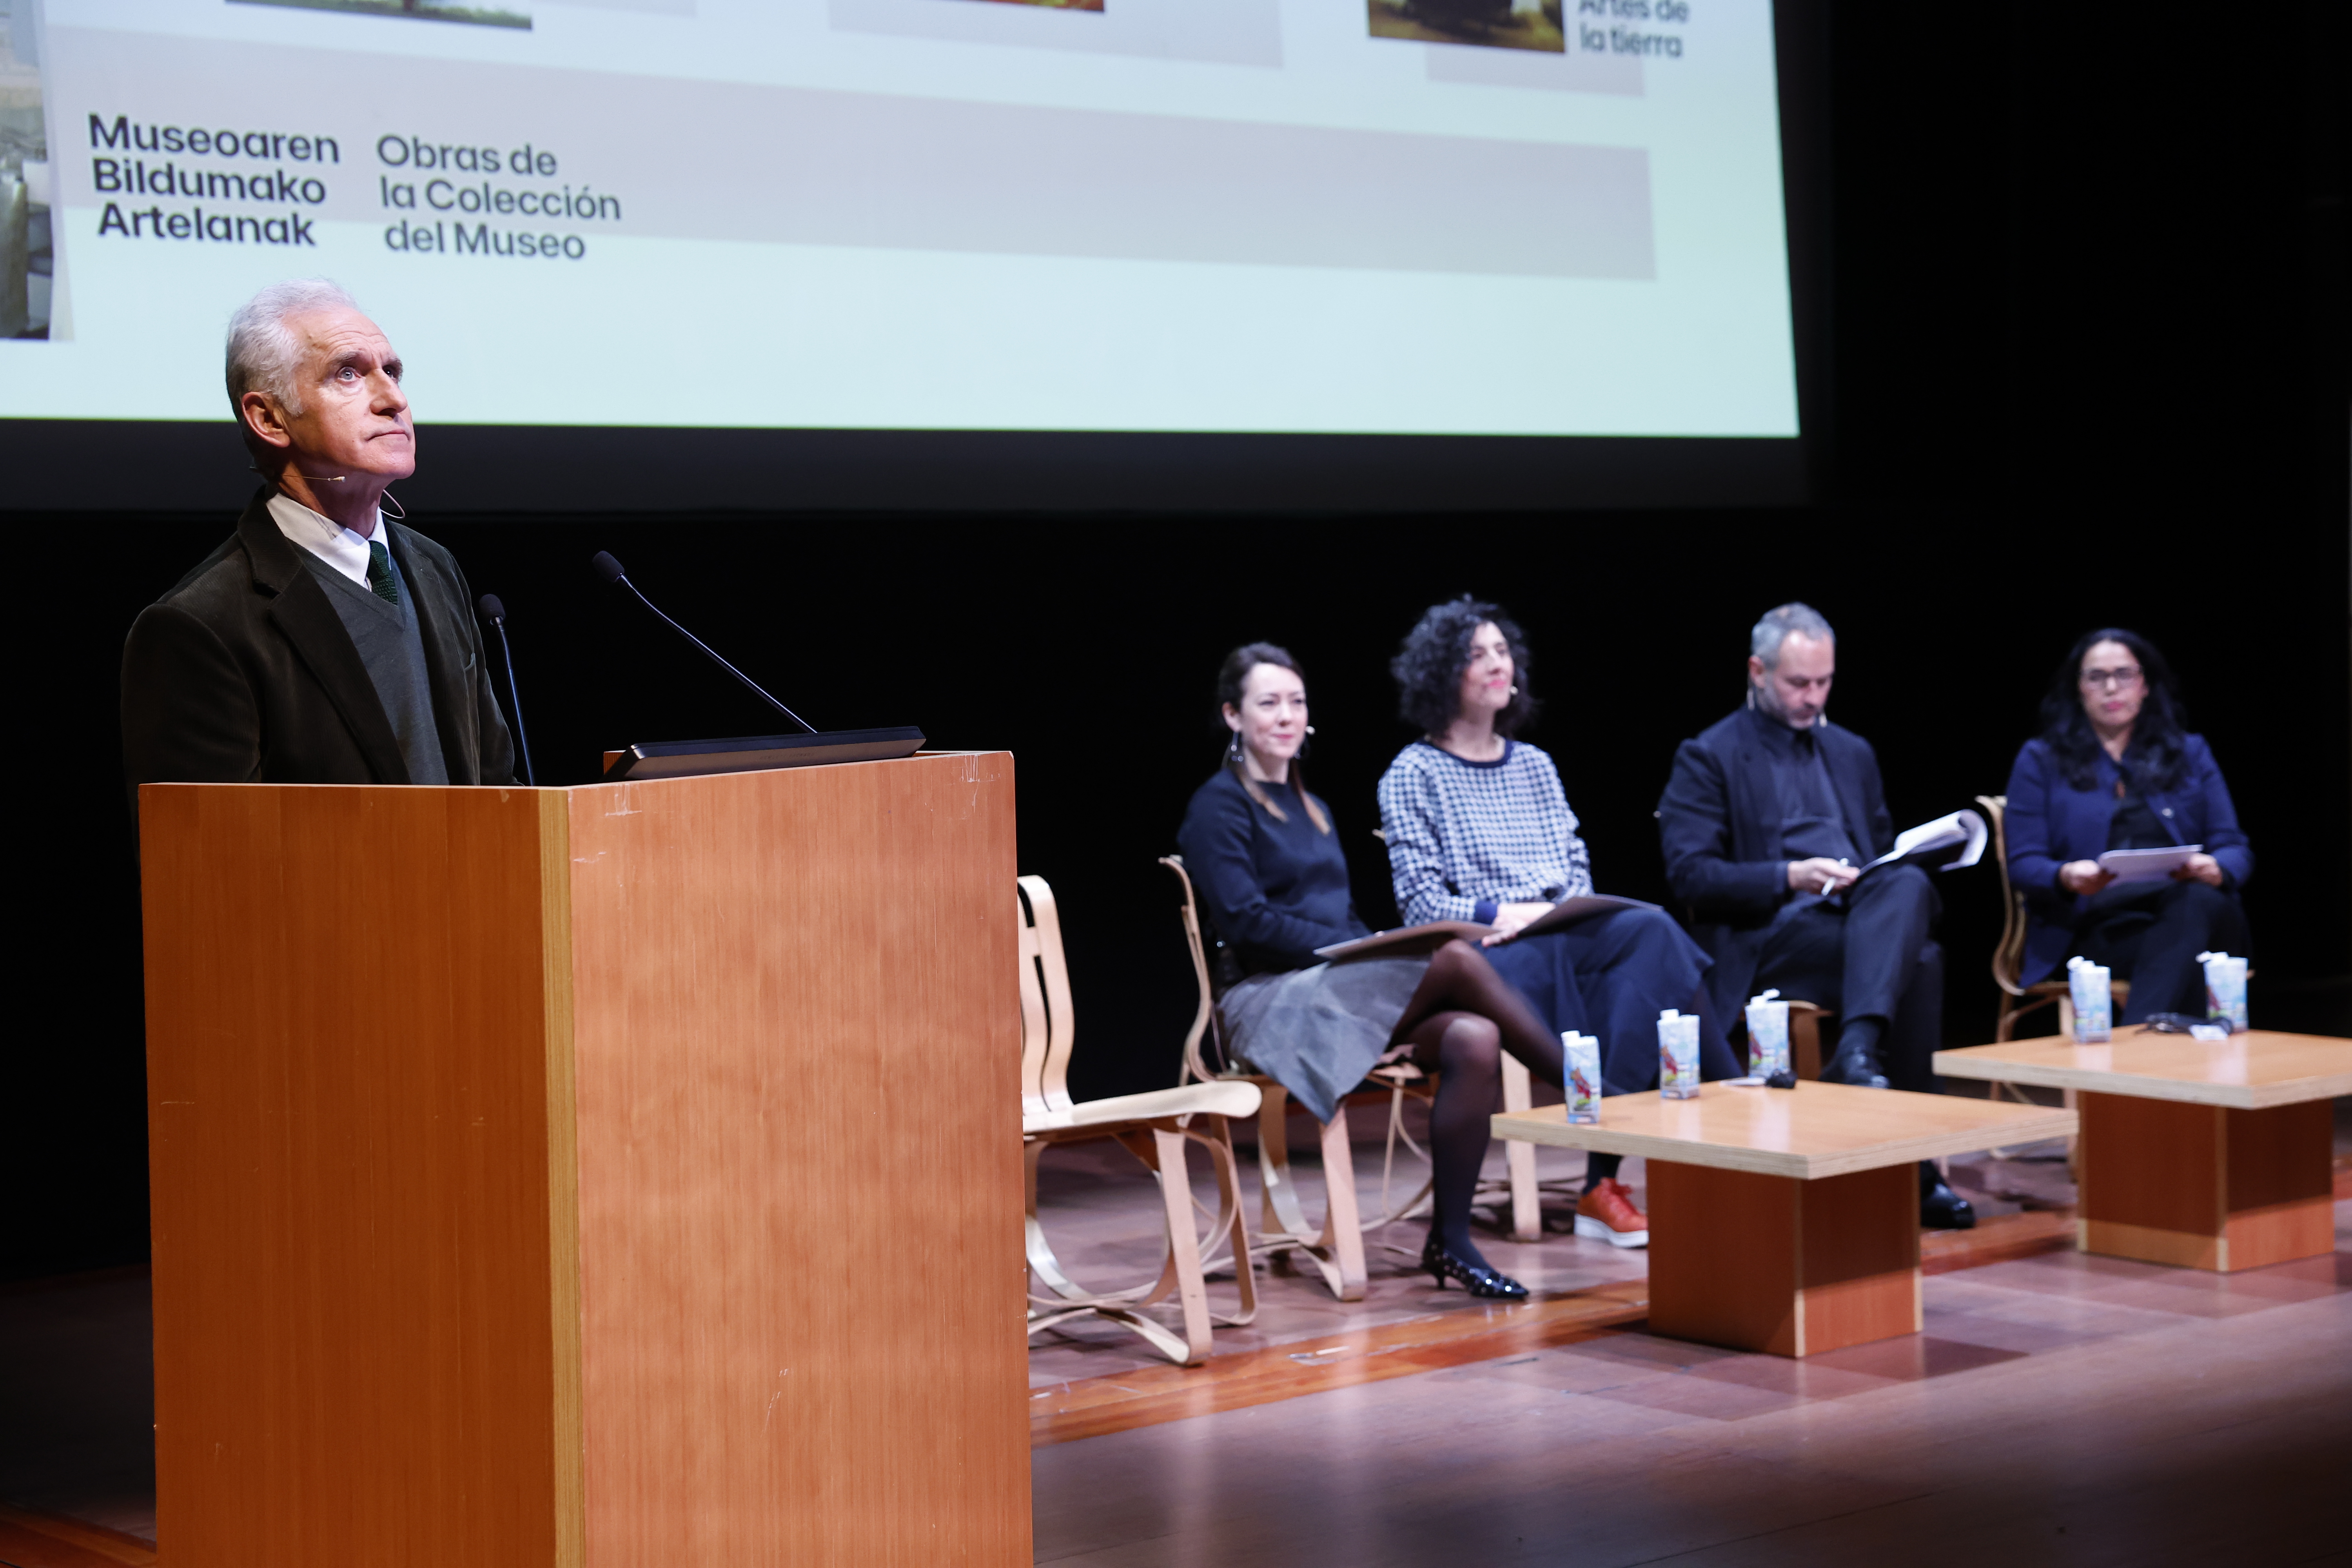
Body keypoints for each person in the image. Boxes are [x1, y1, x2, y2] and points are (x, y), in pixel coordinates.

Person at [1178, 642, 1577, 1299]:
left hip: (1330, 987)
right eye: (1268, 703)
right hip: (1264, 1002)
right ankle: (1592, 1090)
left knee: (1473, 1038)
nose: (1286, 715)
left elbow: (1340, 914)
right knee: (1452, 956)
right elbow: (1249, 923)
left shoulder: (1315, 808)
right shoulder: (1218, 808)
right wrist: (1360, 948)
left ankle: (1452, 1240)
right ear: (1233, 716)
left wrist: (1373, 944)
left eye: (1296, 702)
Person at [1377, 597, 1741, 1251]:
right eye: (1476, 654)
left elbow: (1576, 867)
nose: (1497, 664)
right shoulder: (1414, 773)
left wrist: (1559, 909)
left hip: (1559, 929)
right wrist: (1502, 915)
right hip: (1488, 952)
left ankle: (1628, 1166)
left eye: (1501, 651)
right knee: (1642, 972)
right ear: (1441, 674)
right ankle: (1699, 1133)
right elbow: (1421, 903)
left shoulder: (1535, 765)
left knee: (1654, 932)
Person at [122, 279, 515, 797]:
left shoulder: (434, 567)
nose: (393, 399)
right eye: (348, 373)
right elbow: (209, 864)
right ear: (268, 418)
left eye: (393, 372)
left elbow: (496, 784)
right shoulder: (200, 625)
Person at [1657, 603, 1973, 1230]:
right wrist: (1788, 876)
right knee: (1924, 961)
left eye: (1823, 682)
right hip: (1771, 933)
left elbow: (1881, 850)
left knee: (1907, 882)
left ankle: (1854, 1055)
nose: (1812, 697)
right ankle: (1915, 1174)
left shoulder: (1851, 751)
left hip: (1853, 921)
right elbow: (1690, 876)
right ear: (1757, 671)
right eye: (1798, 683)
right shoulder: (1710, 754)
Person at [2002, 630, 2251, 1022]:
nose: (2112, 687)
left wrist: (2217, 868)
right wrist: (2067, 875)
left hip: (2196, 911)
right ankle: (2159, 1054)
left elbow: (2233, 846)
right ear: (2079, 688)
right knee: (2185, 953)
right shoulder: (2041, 760)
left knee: (2197, 903)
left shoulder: (2189, 752)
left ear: (2145, 684)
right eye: (2096, 677)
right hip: (2100, 927)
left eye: (2124, 674)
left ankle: (2134, 1060)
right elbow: (2024, 863)